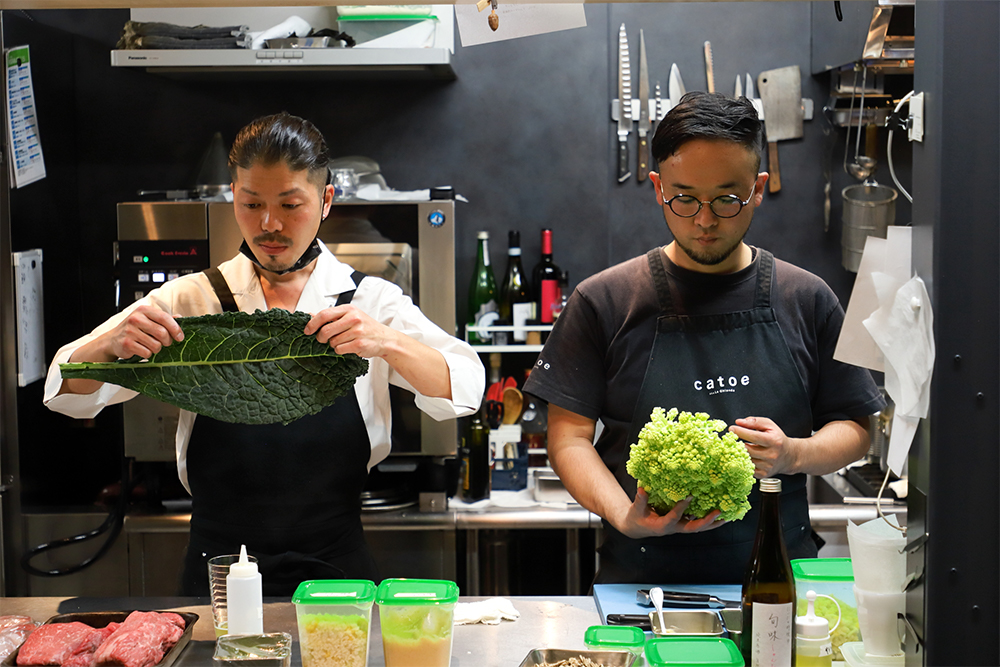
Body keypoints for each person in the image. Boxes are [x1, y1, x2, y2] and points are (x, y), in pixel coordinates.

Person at [43, 112, 485, 595]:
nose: (269, 224)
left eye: (290, 205)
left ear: (325, 201)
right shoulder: (189, 299)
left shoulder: (368, 302)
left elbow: (464, 384)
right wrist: (107, 345)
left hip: (336, 570)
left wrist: (388, 342)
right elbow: (67, 389)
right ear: (234, 196)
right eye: (252, 203)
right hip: (218, 571)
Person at [523, 92, 885, 585]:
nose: (706, 220)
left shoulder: (807, 298)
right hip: (641, 587)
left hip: (778, 588)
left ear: (758, 189)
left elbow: (857, 426)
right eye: (685, 198)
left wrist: (791, 454)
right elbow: (568, 437)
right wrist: (624, 513)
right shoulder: (604, 301)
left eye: (727, 198)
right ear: (657, 187)